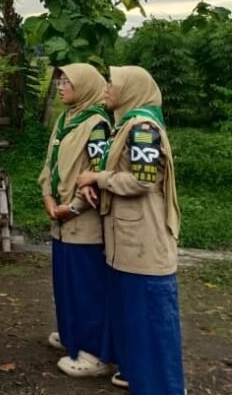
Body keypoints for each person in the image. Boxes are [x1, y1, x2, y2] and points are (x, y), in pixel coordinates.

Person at [76, 66, 183, 393]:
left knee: (151, 317)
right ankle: (140, 376)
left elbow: (143, 179)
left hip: (143, 241)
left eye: (113, 83)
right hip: (127, 240)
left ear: (131, 89)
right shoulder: (127, 125)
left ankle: (163, 386)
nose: (107, 88)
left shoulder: (142, 129)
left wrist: (97, 178)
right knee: (134, 317)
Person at [37, 64, 112, 377]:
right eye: (60, 81)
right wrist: (48, 197)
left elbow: (97, 174)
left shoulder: (96, 125)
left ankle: (95, 353)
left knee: (86, 287)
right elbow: (49, 164)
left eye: (68, 81)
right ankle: (72, 336)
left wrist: (74, 207)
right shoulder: (65, 119)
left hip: (83, 223)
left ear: (84, 86)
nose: (61, 87)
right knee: (65, 284)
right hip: (61, 220)